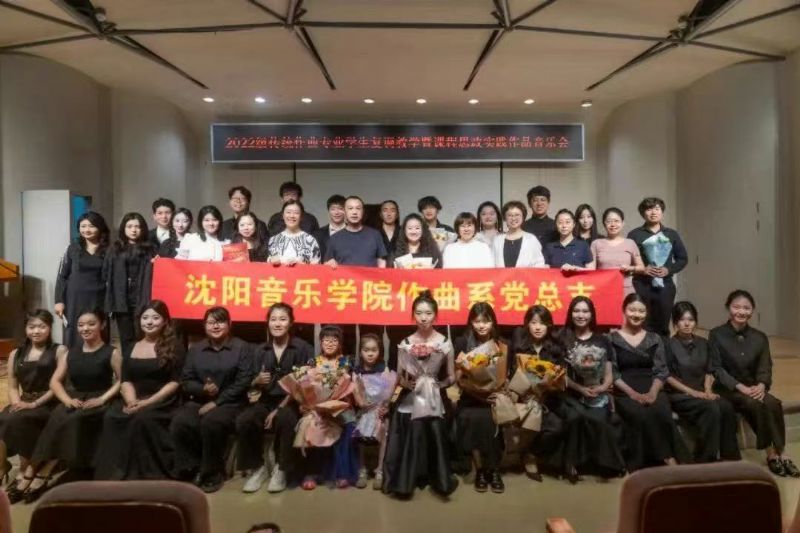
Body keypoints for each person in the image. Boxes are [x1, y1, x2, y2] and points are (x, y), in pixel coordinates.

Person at [29, 309, 122, 503]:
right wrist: (67, 400)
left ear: (102, 325)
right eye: (81, 325)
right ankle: (35, 468)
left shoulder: (111, 352)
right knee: (58, 416)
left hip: (100, 398)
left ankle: (44, 470)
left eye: (91, 324)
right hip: (75, 398)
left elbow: (123, 380)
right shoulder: (70, 352)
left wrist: (103, 399)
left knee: (76, 418)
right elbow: (54, 381)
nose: (85, 328)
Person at [709, 290, 799, 477]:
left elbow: (765, 366)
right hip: (729, 389)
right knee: (754, 404)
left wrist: (762, 385)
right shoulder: (717, 334)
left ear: (752, 311)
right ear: (728, 308)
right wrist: (740, 387)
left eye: (746, 308)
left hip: (754, 387)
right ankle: (771, 453)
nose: (741, 311)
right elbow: (717, 368)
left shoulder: (760, 337)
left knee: (773, 403)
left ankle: (782, 452)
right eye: (736, 307)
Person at [94, 300, 183, 480]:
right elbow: (125, 380)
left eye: (155, 318)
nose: (149, 322)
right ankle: (114, 474)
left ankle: (144, 474)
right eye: (145, 317)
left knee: (141, 418)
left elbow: (174, 382)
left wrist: (146, 403)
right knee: (112, 416)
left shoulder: (175, 346)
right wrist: (132, 401)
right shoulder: (131, 346)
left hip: (162, 400)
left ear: (165, 321)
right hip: (134, 398)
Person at [383, 291, 458, 498]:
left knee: (435, 424)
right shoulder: (405, 342)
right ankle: (407, 479)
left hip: (434, 395)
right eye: (418, 313)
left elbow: (452, 376)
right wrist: (406, 384)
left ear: (436, 315)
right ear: (413, 315)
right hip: (412, 394)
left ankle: (438, 478)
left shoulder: (445, 342)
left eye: (428, 313)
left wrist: (439, 384)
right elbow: (399, 377)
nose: (423, 318)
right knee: (410, 421)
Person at [170, 306, 254, 493]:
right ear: (204, 325)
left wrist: (216, 402)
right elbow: (186, 380)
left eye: (220, 322)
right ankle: (189, 468)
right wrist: (203, 389)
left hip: (231, 403)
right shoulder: (196, 350)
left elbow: (243, 381)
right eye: (211, 322)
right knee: (181, 421)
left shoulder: (242, 348)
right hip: (200, 400)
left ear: (229, 324)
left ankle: (213, 472)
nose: (215, 326)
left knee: (212, 422)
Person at [236, 303, 314, 494]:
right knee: (244, 420)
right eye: (273, 319)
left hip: (293, 401)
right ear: (268, 323)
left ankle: (281, 468)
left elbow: (304, 383)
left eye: (282, 319)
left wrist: (278, 409)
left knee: (286, 419)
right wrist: (256, 381)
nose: (277, 324)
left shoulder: (303, 348)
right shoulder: (259, 350)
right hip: (265, 401)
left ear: (291, 323)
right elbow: (249, 383)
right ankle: (258, 467)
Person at [610, 293, 687, 471]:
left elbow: (661, 371)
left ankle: (669, 457)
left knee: (661, 412)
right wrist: (633, 394)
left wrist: (653, 392)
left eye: (641, 311)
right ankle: (666, 459)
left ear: (646, 314)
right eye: (632, 310)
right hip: (625, 390)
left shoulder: (654, 338)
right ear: (624, 310)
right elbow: (613, 373)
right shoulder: (612, 339)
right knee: (640, 414)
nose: (636, 314)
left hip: (653, 386)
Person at [556, 298, 625, 482]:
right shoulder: (562, 338)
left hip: (596, 394)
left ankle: (606, 464)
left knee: (599, 420)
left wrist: (602, 387)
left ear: (592, 314)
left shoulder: (602, 340)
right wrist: (580, 388)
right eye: (577, 311)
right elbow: (559, 374)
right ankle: (570, 463)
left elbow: (609, 372)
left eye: (585, 311)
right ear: (570, 313)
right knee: (575, 417)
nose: (581, 315)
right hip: (570, 393)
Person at [1, 310, 66, 504]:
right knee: (6, 416)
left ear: (50, 328)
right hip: (24, 401)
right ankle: (8, 466)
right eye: (32, 327)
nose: (36, 331)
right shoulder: (16, 354)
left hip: (50, 402)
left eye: (41, 327)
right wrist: (16, 403)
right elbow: (13, 386)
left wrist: (34, 404)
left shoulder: (59, 350)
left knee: (20, 418)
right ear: (26, 329)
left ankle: (26, 470)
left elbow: (58, 385)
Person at [665, 301, 740, 463]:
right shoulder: (668, 345)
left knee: (726, 406)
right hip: (679, 395)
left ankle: (730, 457)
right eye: (682, 320)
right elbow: (668, 376)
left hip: (702, 392)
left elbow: (709, 369)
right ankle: (705, 459)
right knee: (711, 408)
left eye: (691, 320)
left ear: (696, 322)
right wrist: (694, 393)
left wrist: (707, 390)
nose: (687, 324)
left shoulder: (704, 343)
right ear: (675, 322)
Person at [508, 305, 568, 482]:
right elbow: (512, 376)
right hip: (524, 398)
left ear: (549, 326)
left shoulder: (556, 348)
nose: (537, 327)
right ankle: (527, 455)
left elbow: (561, 377)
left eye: (542, 323)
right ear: (527, 325)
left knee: (557, 427)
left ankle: (531, 453)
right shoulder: (519, 347)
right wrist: (526, 391)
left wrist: (548, 386)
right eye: (533, 323)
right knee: (527, 423)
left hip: (550, 399)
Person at [453, 303, 508, 493]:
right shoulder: (462, 342)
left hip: (493, 396)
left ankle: (494, 470)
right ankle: (481, 470)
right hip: (470, 396)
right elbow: (458, 378)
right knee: (470, 418)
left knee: (491, 420)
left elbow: (505, 375)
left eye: (486, 321)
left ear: (493, 322)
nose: (481, 325)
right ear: (471, 323)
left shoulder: (501, 344)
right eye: (477, 321)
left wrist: (499, 391)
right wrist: (472, 385)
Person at [324, 196, 387, 355]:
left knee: (372, 337)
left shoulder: (374, 235)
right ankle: (347, 368)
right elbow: (327, 265)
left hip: (370, 295)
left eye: (358, 208)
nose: (354, 212)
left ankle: (373, 369)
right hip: (346, 296)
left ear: (363, 212)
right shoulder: (335, 239)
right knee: (346, 338)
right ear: (344, 212)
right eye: (350, 208)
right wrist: (329, 265)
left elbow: (382, 262)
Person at [300, 326, 359, 490]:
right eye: (326, 340)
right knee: (310, 424)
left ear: (340, 343)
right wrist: (309, 404)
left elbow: (344, 384)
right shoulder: (313, 362)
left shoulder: (345, 361)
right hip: (317, 406)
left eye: (334, 340)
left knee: (348, 422)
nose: (330, 343)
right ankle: (312, 472)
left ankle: (341, 473)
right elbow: (305, 385)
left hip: (340, 405)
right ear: (320, 342)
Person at [386, 213, 441, 370]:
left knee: (425, 344)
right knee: (399, 343)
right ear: (404, 231)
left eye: (417, 228)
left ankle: (428, 378)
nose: (414, 231)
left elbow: (440, 277)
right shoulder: (396, 252)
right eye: (410, 228)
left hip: (424, 304)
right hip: (401, 305)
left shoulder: (433, 251)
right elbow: (388, 278)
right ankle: (398, 378)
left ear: (423, 230)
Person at [628, 197, 688, 336]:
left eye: (657, 209)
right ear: (643, 213)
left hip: (665, 286)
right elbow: (629, 261)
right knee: (641, 323)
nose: (653, 212)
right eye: (649, 209)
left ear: (662, 212)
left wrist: (669, 270)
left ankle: (663, 349)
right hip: (641, 285)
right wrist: (643, 270)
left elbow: (683, 258)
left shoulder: (671, 234)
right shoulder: (634, 234)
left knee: (663, 324)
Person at [55, 211, 110, 347]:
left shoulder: (109, 249)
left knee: (98, 330)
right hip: (74, 298)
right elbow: (62, 276)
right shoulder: (72, 248)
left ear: (100, 227)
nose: (87, 230)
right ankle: (73, 359)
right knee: (74, 332)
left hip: (98, 297)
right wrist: (59, 301)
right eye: (83, 226)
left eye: (91, 226)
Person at [104, 212, 155, 357]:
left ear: (143, 229)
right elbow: (106, 273)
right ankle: (127, 368)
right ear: (123, 229)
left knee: (142, 337)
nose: (134, 230)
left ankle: (141, 365)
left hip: (143, 298)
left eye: (137, 226)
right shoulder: (115, 248)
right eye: (130, 226)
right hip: (122, 300)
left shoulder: (150, 249)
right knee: (125, 339)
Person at [352, 333, 396, 490]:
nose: (370, 354)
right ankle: (362, 469)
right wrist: (361, 402)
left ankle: (379, 470)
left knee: (383, 431)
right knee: (360, 434)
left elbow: (390, 392)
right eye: (366, 350)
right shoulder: (356, 372)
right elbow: (355, 391)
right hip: (364, 410)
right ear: (360, 352)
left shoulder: (385, 370)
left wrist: (385, 406)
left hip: (380, 410)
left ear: (380, 351)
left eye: (374, 350)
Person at [591, 208, 644, 297]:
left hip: (626, 289)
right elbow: (590, 270)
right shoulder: (596, 243)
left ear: (623, 223)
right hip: (603, 288)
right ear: (604, 224)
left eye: (616, 221)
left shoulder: (630, 243)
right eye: (609, 221)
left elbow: (641, 268)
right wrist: (574, 268)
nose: (613, 224)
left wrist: (630, 268)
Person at [267, 200, 321, 265]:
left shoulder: (310, 240)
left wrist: (300, 264)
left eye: (296, 213)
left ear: (301, 216)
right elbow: (267, 266)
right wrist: (271, 260)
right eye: (288, 212)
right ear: (283, 215)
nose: (292, 216)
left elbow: (317, 267)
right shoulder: (273, 240)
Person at [493, 201, 545, 268]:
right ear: (505, 218)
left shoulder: (531, 239)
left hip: (526, 275)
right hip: (501, 275)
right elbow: (492, 263)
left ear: (523, 217)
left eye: (517, 215)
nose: (513, 218)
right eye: (509, 215)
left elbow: (539, 263)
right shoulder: (497, 240)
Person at [313, 194, 346, 259]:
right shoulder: (317, 234)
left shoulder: (353, 232)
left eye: (340, 208)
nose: (336, 212)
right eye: (333, 209)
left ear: (345, 210)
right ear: (328, 211)